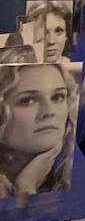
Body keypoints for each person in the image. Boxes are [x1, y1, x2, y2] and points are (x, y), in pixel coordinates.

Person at [0, 63, 78, 197]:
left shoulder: (80, 172)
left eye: (58, 97)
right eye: (27, 101)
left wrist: (27, 184)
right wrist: (25, 187)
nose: (49, 112)